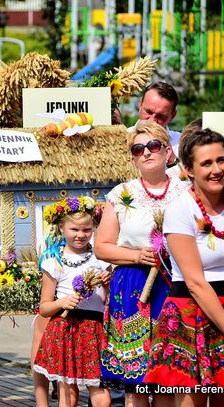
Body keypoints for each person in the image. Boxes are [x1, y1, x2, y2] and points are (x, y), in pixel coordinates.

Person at [95, 120, 190, 407]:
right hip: (133, 287)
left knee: (170, 374)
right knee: (135, 378)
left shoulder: (186, 190)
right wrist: (137, 255)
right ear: (133, 157)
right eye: (138, 149)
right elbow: (102, 246)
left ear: (168, 151)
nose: (147, 152)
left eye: (153, 146)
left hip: (176, 284)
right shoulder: (121, 194)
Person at [144, 129, 224, 406]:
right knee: (193, 399)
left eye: (222, 160)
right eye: (207, 163)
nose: (217, 169)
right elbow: (195, 282)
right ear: (188, 169)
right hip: (193, 312)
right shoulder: (181, 210)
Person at [34, 196, 111, 407]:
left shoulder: (101, 258)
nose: (80, 235)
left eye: (86, 230)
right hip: (65, 329)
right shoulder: (54, 260)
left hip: (94, 329)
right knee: (68, 393)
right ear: (62, 227)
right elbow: (44, 308)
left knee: (100, 389)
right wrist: (62, 302)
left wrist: (107, 284)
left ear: (94, 228)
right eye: (74, 230)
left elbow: (110, 301)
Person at [130, 82, 180, 166]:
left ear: (173, 115)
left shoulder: (181, 143)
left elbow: (189, 178)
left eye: (160, 116)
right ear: (140, 105)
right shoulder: (122, 139)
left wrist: (172, 159)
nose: (152, 120)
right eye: (148, 112)